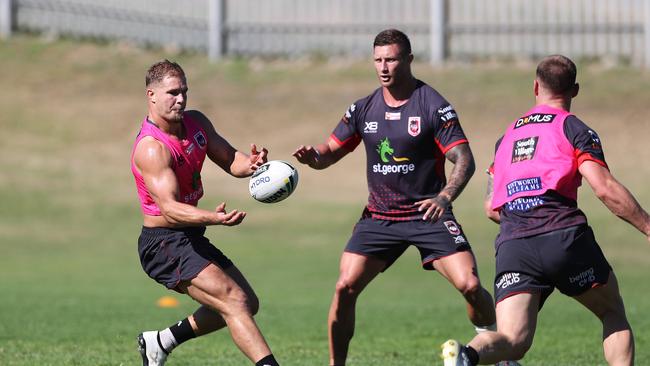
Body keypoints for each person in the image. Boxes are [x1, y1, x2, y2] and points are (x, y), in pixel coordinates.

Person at [293, 29, 497, 366]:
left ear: (408, 60)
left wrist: (445, 198)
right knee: (344, 286)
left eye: (391, 59)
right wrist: (313, 157)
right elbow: (329, 151)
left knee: (471, 285)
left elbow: (464, 159)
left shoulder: (433, 105)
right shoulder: (363, 108)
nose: (384, 67)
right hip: (380, 217)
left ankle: (497, 347)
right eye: (378, 60)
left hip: (428, 213)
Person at [441, 55, 650, 366]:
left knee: (513, 340)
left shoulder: (506, 139)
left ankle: (466, 354)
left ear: (535, 86)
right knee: (611, 311)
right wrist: (647, 227)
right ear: (575, 90)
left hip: (514, 244)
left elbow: (490, 206)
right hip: (562, 238)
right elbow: (604, 187)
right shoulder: (574, 129)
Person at [130, 60, 281, 366]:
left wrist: (253, 166)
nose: (181, 99)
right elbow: (170, 209)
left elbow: (231, 160)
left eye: (184, 91)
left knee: (247, 302)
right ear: (152, 96)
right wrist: (214, 217)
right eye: (173, 92)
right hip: (163, 243)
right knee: (234, 302)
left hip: (189, 235)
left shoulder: (196, 122)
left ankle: (160, 342)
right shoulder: (152, 148)